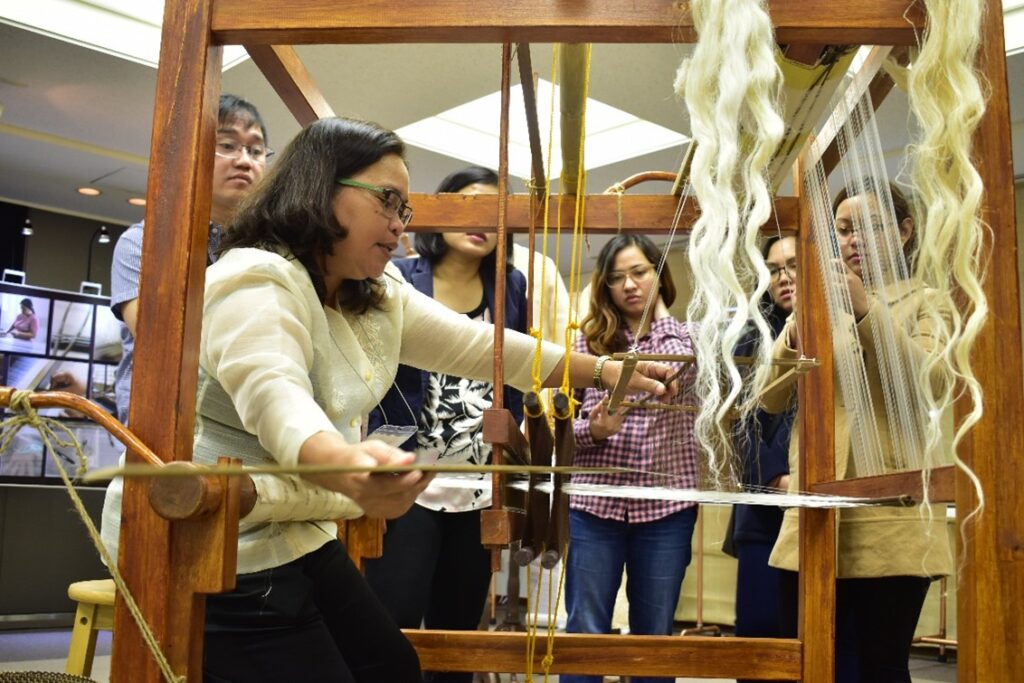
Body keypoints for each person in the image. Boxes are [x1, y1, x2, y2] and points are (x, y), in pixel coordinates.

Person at [130, 116, 675, 682]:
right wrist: (345, 465)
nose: (398, 225)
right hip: (218, 546)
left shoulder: (375, 294)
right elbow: (275, 395)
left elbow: (483, 347)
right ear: (322, 187)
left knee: (390, 665)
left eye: (403, 211)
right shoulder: (257, 279)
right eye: (387, 202)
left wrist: (607, 370)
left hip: (293, 528)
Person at [765, 182, 951, 683]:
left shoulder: (929, 303)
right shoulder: (816, 304)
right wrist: (795, 334)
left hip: (890, 519)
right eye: (844, 230)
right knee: (803, 663)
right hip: (812, 514)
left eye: (869, 227)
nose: (853, 240)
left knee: (881, 667)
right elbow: (769, 397)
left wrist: (866, 308)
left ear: (905, 232)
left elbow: (931, 382)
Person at [363, 166, 526, 683]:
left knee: (459, 635)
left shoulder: (510, 286)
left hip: (480, 485)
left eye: (493, 215)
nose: (480, 223)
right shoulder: (401, 276)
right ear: (441, 210)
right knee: (394, 619)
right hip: (411, 473)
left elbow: (517, 370)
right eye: (468, 206)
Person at [99, 93, 271, 564]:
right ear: (193, 154)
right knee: (155, 574)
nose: (245, 160)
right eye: (228, 145)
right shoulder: (146, 240)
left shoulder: (273, 251)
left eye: (256, 150)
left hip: (249, 442)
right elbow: (164, 343)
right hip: (161, 437)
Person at [563, 234, 699, 683]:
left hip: (666, 507)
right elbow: (566, 432)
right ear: (603, 286)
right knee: (585, 632)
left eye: (640, 272)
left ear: (659, 275)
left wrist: (660, 313)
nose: (629, 285)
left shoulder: (685, 336)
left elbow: (678, 364)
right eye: (617, 277)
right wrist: (596, 429)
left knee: (654, 638)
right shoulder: (587, 344)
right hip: (594, 504)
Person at [728, 236, 795, 683]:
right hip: (764, 508)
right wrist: (776, 479)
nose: (783, 276)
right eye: (773, 269)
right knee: (758, 638)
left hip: (829, 506)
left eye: (793, 264)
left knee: (817, 638)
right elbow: (741, 425)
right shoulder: (750, 337)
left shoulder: (849, 323)